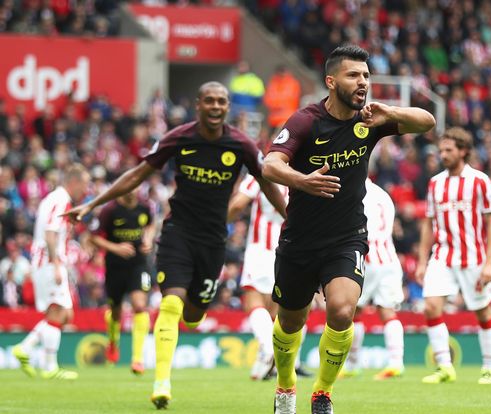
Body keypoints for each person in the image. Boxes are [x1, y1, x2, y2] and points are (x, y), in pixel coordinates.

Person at [64, 82, 287, 410]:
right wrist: (91, 204)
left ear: (227, 108)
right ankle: (162, 383)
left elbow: (267, 183)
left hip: (213, 242)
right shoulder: (179, 138)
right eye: (208, 100)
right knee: (170, 303)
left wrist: (291, 218)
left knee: (194, 316)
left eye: (221, 102)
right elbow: (138, 173)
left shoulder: (241, 143)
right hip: (177, 234)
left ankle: (183, 325)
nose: (215, 106)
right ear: (198, 104)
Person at [263, 44, 435, 414]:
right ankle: (285, 385)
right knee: (290, 321)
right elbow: (270, 165)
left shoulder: (370, 119)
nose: (363, 82)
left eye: (366, 76)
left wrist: (392, 112)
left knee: (342, 311)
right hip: (300, 240)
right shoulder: (306, 121)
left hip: (346, 238)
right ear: (331, 81)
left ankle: (322, 393)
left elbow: (427, 122)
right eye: (353, 75)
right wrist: (302, 181)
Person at [415, 127, 491, 386]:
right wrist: (421, 261)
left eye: (449, 150)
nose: (443, 155)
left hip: (473, 258)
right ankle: (444, 366)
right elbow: (428, 223)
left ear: (463, 151)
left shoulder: (479, 181)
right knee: (431, 306)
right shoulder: (435, 183)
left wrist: (489, 263)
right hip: (442, 256)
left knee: (483, 312)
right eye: (441, 150)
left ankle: (489, 368)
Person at [227, 174, 311, 380]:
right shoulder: (301, 174)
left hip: (261, 250)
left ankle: (266, 348)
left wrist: (220, 222)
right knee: (280, 310)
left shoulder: (262, 171)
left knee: (254, 302)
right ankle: (279, 363)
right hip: (291, 249)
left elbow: (238, 204)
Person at [12, 163, 91, 380]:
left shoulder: (55, 199)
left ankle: (27, 349)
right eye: (83, 185)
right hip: (49, 261)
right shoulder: (60, 199)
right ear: (73, 181)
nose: (85, 191)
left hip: (48, 261)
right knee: (59, 312)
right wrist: (56, 264)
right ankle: (47, 366)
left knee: (64, 314)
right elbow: (50, 233)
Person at [341, 178, 405, 380]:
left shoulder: (352, 190)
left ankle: (352, 364)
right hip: (389, 258)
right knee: (388, 312)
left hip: (366, 257)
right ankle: (396, 363)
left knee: (353, 312)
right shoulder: (383, 195)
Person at [89, 191, 155, 375]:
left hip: (139, 264)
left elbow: (150, 224)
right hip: (115, 266)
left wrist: (148, 239)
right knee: (116, 312)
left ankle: (138, 359)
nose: (134, 191)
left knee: (140, 306)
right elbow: (93, 237)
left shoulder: (145, 206)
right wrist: (115, 248)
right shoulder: (109, 210)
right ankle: (112, 341)